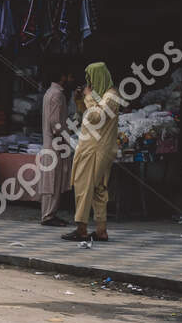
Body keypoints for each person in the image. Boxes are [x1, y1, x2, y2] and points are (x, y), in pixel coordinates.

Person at [62, 62, 123, 243]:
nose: (89, 82)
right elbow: (86, 114)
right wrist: (80, 100)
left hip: (96, 150)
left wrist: (88, 97)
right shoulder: (103, 95)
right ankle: (100, 230)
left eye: (90, 78)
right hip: (95, 148)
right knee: (98, 189)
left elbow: (97, 116)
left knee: (83, 187)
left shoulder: (111, 96)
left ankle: (81, 229)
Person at [39, 68, 76, 226]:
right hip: (55, 142)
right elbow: (55, 122)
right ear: (62, 76)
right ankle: (48, 215)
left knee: (51, 179)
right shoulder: (57, 95)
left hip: (52, 141)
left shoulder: (50, 92)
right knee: (53, 180)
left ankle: (48, 214)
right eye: (68, 75)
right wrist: (62, 140)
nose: (70, 78)